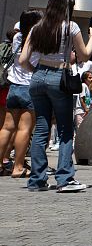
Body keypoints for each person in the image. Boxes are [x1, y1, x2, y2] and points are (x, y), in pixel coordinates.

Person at [20, 0, 92, 192]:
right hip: (58, 76)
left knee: (41, 128)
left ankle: (37, 180)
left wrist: (36, 72)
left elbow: (22, 60)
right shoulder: (70, 27)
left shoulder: (37, 27)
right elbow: (84, 55)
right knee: (65, 129)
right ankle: (65, 178)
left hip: (37, 77)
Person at [0, 10, 43, 178]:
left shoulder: (17, 39)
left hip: (13, 87)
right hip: (29, 87)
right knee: (24, 129)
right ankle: (18, 166)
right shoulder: (39, 41)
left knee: (7, 127)